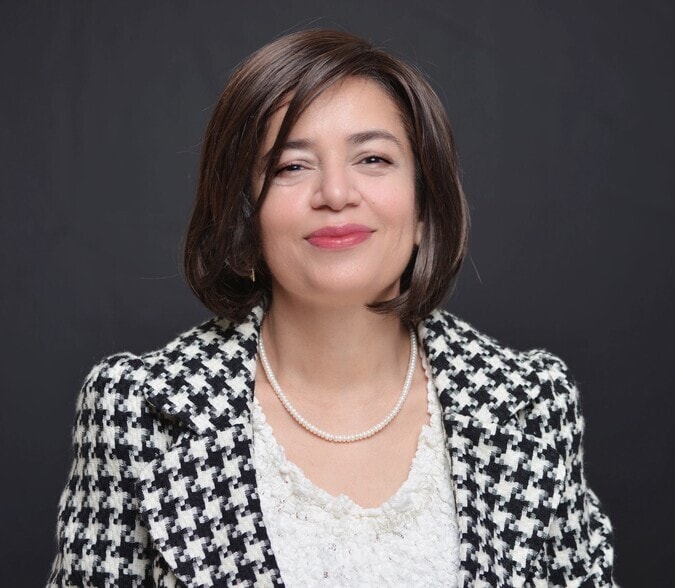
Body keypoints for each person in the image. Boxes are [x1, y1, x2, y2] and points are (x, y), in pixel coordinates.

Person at [48, 29, 616, 587]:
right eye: (292, 166)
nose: (336, 194)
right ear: (245, 213)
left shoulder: (530, 404)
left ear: (424, 206)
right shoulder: (138, 411)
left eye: (373, 158)